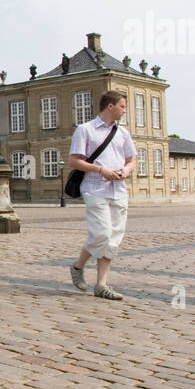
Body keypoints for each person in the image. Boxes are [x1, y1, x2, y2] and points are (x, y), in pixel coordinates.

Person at [69, 90, 135, 300]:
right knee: (101, 234)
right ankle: (78, 266)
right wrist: (101, 170)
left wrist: (126, 171)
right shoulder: (85, 130)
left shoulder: (123, 133)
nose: (125, 110)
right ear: (110, 106)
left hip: (118, 190)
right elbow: (74, 161)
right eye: (122, 106)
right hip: (94, 188)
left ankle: (101, 285)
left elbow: (131, 160)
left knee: (113, 239)